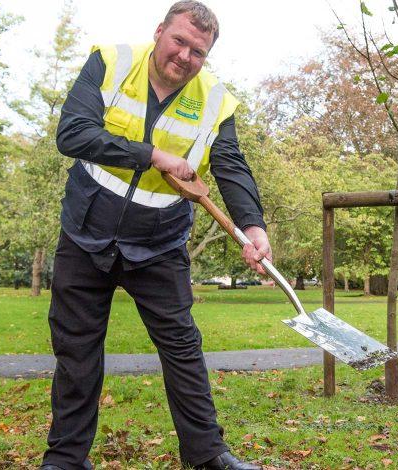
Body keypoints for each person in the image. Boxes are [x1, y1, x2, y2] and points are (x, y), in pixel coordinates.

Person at [41, 2, 267, 469]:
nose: (185, 56)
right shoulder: (110, 62)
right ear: (160, 31)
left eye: (198, 51)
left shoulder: (215, 99)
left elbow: (230, 165)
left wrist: (253, 225)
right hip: (86, 234)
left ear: (207, 57)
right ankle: (65, 459)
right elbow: (73, 134)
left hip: (159, 244)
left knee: (183, 348)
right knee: (77, 352)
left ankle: (207, 456)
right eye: (179, 41)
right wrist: (153, 155)